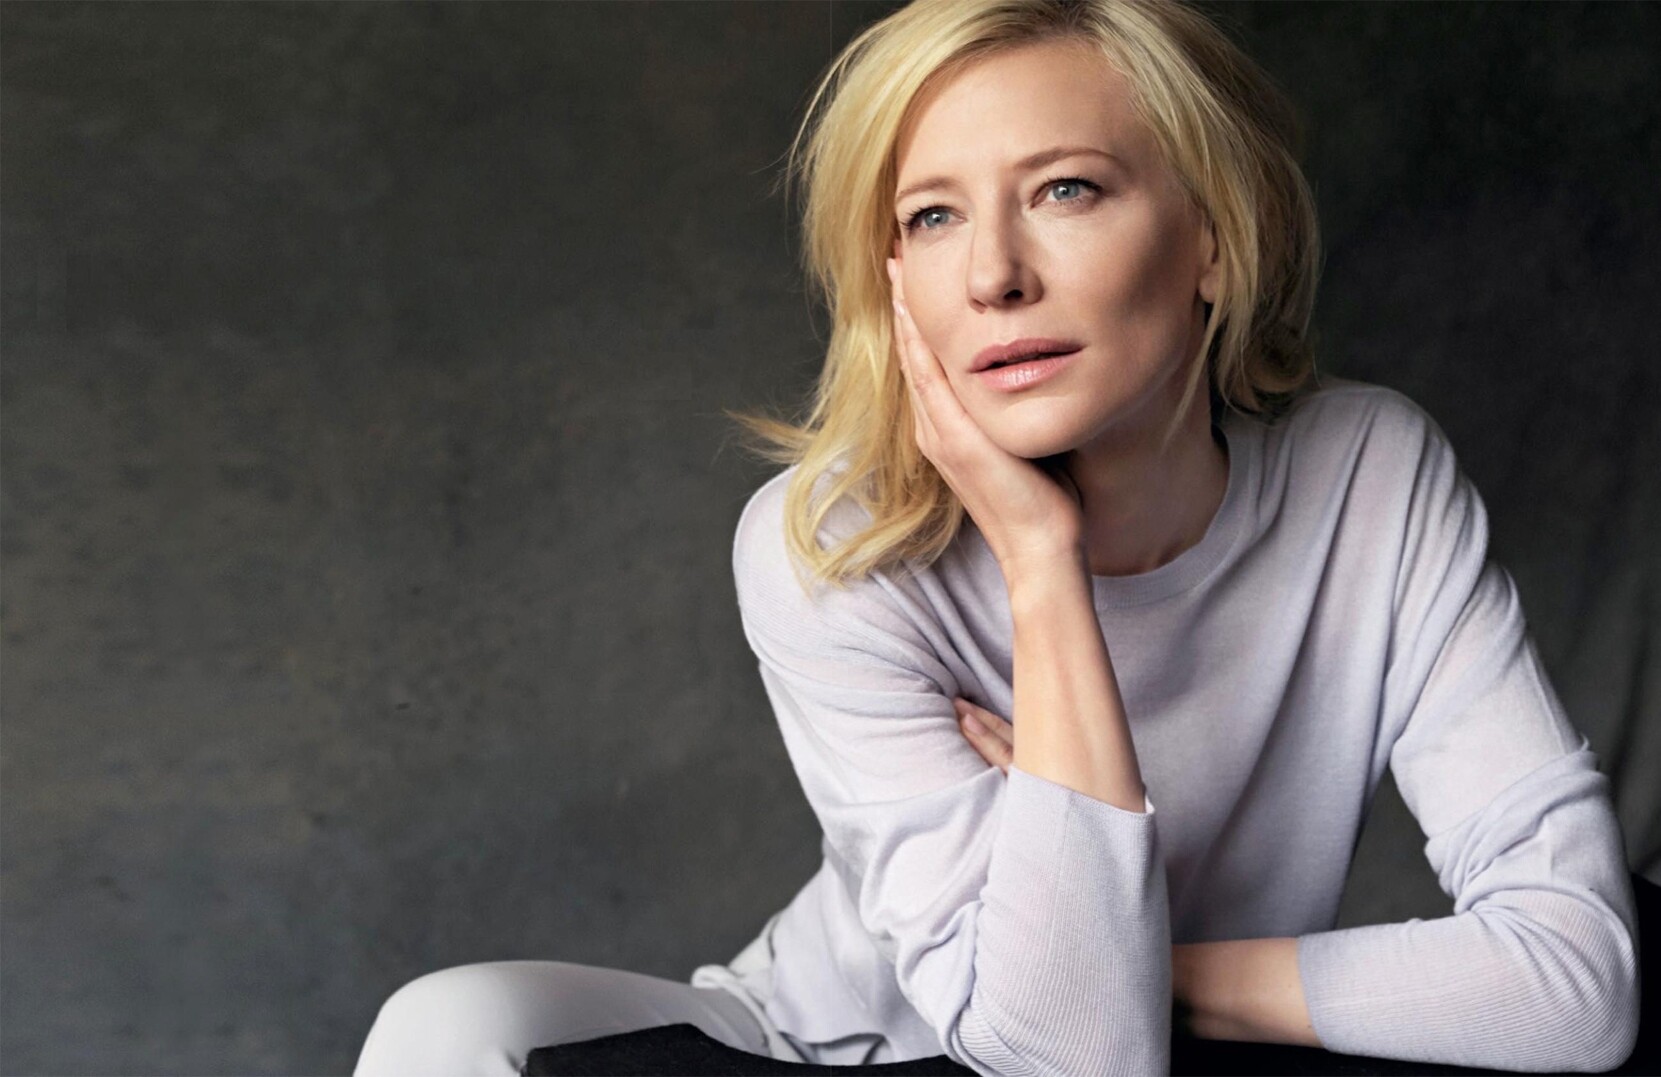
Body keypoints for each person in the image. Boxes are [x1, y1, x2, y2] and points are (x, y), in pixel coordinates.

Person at [352, 2, 1640, 1074]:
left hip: (1135, 1051)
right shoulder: (832, 546)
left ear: (1210, 236)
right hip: (827, 1053)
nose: (993, 276)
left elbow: (1575, 984)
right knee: (446, 1025)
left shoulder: (1372, 476)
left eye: (1066, 190)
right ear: (893, 279)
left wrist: (1133, 961)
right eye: (932, 217)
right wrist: (1037, 560)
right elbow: (1066, 1058)